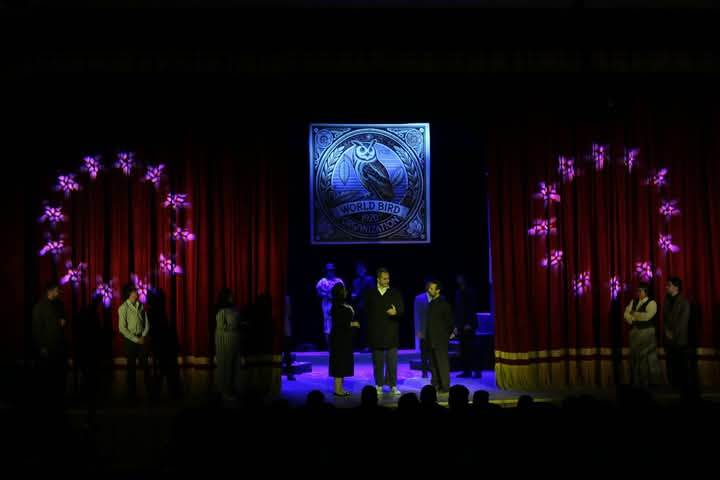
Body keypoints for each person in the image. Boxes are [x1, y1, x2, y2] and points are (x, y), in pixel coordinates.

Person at [364, 267, 405, 396]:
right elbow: (366, 312)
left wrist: (396, 312)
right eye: (384, 279)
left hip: (391, 332)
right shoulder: (371, 293)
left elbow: (401, 309)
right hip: (376, 333)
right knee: (378, 362)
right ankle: (379, 385)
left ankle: (393, 385)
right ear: (378, 279)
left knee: (392, 362)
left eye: (388, 278)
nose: (387, 281)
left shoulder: (395, 293)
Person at [32, 282, 67, 406]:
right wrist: (42, 346)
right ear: (49, 291)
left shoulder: (59, 304)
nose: (58, 293)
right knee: (48, 374)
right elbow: (37, 328)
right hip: (48, 345)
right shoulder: (40, 307)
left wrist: (63, 321)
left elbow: (63, 318)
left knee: (58, 374)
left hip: (59, 345)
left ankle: (57, 398)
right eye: (56, 290)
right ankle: (48, 399)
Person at [623, 283, 661, 387]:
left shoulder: (652, 303)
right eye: (637, 291)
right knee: (635, 358)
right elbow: (626, 314)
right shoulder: (633, 301)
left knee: (646, 358)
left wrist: (634, 314)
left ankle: (649, 383)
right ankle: (637, 382)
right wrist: (632, 319)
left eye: (640, 291)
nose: (638, 293)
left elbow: (647, 316)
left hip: (647, 332)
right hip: (635, 333)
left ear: (646, 292)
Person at [118, 283, 151, 404]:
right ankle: (131, 396)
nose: (137, 293)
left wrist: (143, 335)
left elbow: (146, 322)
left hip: (141, 338)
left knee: (146, 366)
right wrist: (136, 339)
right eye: (135, 292)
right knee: (131, 369)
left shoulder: (141, 305)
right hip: (130, 341)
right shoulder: (123, 308)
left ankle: (150, 393)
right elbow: (122, 328)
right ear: (130, 294)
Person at [329, 283, 360, 396]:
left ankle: (340, 388)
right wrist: (352, 324)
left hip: (344, 338)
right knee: (339, 362)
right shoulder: (337, 306)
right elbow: (340, 323)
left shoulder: (343, 304)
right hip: (339, 338)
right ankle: (337, 389)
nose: (346, 292)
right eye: (344, 290)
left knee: (342, 362)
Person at [663, 277, 691, 394]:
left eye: (669, 285)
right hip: (669, 340)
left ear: (676, 287)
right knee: (670, 365)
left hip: (680, 340)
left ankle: (683, 389)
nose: (666, 287)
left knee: (681, 366)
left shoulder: (684, 302)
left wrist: (673, 334)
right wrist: (666, 332)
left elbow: (683, 322)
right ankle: (673, 387)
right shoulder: (666, 301)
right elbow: (664, 319)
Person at [426, 280, 454, 394]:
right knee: (433, 363)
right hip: (431, 338)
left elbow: (449, 322)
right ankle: (435, 384)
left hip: (440, 339)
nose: (429, 290)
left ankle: (445, 386)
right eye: (429, 288)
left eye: (432, 288)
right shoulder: (431, 304)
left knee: (442, 363)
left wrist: (448, 334)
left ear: (438, 290)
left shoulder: (444, 304)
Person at [215, 288, 243, 400]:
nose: (232, 298)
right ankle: (226, 390)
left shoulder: (234, 310)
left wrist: (241, 325)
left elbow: (236, 323)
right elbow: (220, 329)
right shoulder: (222, 312)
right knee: (228, 365)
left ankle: (233, 388)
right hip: (227, 342)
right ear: (226, 298)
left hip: (235, 340)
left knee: (235, 366)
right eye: (230, 296)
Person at [454, 274, 480, 378]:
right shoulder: (458, 292)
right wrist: (457, 325)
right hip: (461, 324)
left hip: (469, 324)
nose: (458, 279)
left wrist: (469, 323)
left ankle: (477, 370)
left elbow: (471, 308)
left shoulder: (470, 291)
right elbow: (458, 310)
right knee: (463, 349)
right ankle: (466, 371)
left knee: (472, 348)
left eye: (460, 278)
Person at [316, 263, 344, 347]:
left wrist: (336, 297)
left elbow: (343, 293)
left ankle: (338, 345)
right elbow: (318, 292)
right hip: (327, 305)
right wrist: (326, 295)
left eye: (332, 270)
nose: (330, 272)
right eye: (328, 270)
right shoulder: (322, 281)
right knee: (327, 326)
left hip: (337, 305)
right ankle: (329, 347)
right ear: (326, 271)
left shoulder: (339, 281)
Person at [350, 261, 375, 352]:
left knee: (367, 327)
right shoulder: (355, 281)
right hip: (358, 307)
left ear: (365, 270)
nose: (360, 271)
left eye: (362, 269)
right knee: (357, 327)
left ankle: (369, 346)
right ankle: (360, 346)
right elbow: (354, 293)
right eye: (358, 269)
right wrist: (353, 295)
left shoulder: (370, 279)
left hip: (368, 307)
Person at [413, 279, 432, 378]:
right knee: (424, 352)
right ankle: (424, 372)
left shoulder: (439, 298)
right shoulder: (419, 298)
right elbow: (416, 315)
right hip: (424, 330)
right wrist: (418, 331)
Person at [282, 294, 296, 381]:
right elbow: (290, 313)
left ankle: (289, 373)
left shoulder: (286, 298)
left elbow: (289, 313)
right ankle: (289, 373)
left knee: (287, 352)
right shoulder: (287, 298)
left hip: (285, 328)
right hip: (285, 328)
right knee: (287, 352)